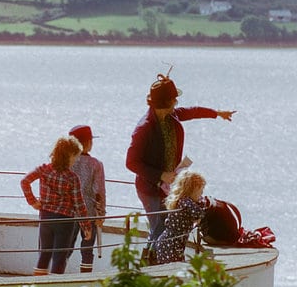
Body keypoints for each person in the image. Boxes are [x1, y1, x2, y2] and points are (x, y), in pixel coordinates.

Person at [124, 75, 232, 243]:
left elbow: (192, 111)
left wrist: (217, 113)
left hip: (168, 187)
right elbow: (131, 162)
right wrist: (161, 175)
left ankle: (160, 263)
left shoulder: (171, 116)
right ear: (165, 102)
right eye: (173, 99)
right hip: (150, 188)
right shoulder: (144, 128)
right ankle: (151, 265)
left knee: (166, 226)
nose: (176, 102)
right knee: (158, 229)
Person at [22, 136, 89, 276]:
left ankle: (38, 286)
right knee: (59, 257)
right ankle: (54, 285)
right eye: (75, 157)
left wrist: (33, 201)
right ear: (69, 156)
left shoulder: (43, 169)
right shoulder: (72, 178)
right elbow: (79, 204)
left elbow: (25, 181)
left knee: (44, 254)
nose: (76, 160)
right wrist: (86, 227)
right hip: (65, 221)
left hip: (46, 216)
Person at [146, 170, 211, 265]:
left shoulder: (184, 201)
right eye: (200, 190)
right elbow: (199, 214)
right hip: (170, 245)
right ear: (192, 189)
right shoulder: (185, 202)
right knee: (173, 268)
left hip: (173, 243)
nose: (201, 194)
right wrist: (205, 204)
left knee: (176, 266)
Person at [68, 123, 107, 273]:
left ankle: (57, 274)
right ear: (89, 143)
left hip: (69, 212)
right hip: (89, 213)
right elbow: (99, 192)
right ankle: (85, 277)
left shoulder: (67, 162)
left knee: (66, 247)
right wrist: (101, 214)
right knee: (87, 250)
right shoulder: (96, 164)